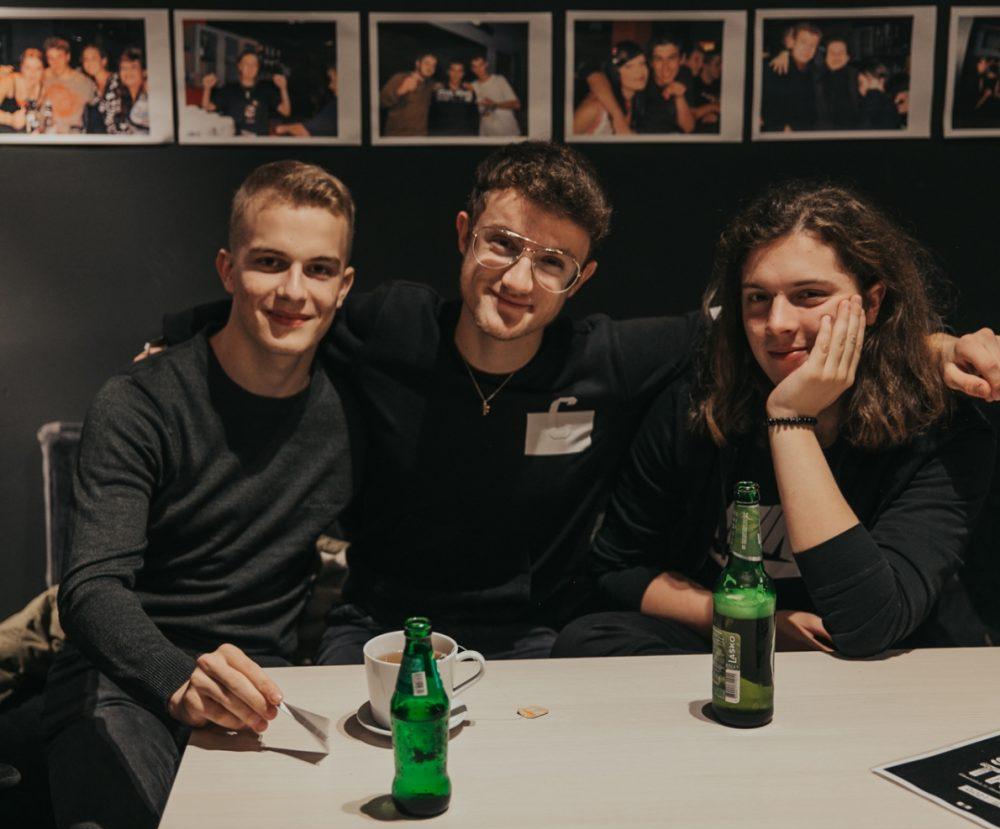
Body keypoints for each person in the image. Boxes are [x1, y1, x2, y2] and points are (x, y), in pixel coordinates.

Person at [160, 143, 1000, 666]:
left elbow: (759, 324)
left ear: (581, 277)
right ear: (464, 234)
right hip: (381, 622)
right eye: (501, 244)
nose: (518, 279)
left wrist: (930, 345)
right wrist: (181, 338)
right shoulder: (390, 324)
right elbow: (290, 305)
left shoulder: (612, 358)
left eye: (553, 262)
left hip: (532, 634)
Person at [43, 161, 357, 829]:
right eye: (269, 262)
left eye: (318, 269)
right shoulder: (140, 403)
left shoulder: (355, 411)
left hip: (263, 687)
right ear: (227, 269)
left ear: (344, 286)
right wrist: (178, 679)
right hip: (126, 679)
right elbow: (92, 588)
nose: (293, 291)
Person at [552, 182, 996, 661]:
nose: (778, 323)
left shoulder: (939, 428)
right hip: (739, 643)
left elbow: (869, 623)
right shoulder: (700, 401)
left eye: (809, 295)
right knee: (589, 639)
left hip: (890, 660)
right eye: (758, 298)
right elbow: (618, 568)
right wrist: (748, 619)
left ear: (871, 304)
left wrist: (791, 419)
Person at [586, 33, 695, 135]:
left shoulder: (684, 75)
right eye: (658, 59)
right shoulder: (641, 80)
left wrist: (679, 96)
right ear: (651, 62)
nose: (665, 67)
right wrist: (617, 116)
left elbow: (688, 128)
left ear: (681, 59)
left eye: (671, 58)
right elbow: (595, 75)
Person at [201, 47, 291, 136]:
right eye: (246, 63)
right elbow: (207, 109)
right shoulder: (228, 89)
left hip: (259, 140)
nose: (250, 67)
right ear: (239, 66)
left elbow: (286, 111)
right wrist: (207, 88)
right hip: (234, 140)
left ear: (258, 68)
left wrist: (283, 88)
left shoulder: (265, 89)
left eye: (254, 64)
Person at [572, 41, 648, 136]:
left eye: (642, 63)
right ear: (614, 72)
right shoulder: (595, 107)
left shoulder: (637, 102)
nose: (640, 71)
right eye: (629, 66)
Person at [761, 22, 822, 132]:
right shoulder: (775, 68)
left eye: (812, 45)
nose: (807, 49)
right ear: (792, 43)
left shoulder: (814, 72)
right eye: (803, 42)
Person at [40, 36, 97, 134]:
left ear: (68, 57)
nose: (55, 62)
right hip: (44, 134)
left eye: (59, 57)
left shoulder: (84, 82)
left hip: (72, 136)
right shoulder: (42, 76)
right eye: (51, 58)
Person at [380, 52, 437, 137]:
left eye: (433, 65)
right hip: (397, 135)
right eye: (427, 63)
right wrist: (401, 90)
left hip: (420, 135)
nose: (430, 68)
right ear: (417, 64)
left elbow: (446, 91)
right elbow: (381, 102)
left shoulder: (429, 84)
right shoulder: (400, 77)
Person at [275, 64, 338, 137]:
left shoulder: (335, 106)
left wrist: (285, 128)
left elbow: (306, 131)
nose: (330, 86)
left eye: (334, 81)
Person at [469, 54, 522, 137]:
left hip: (507, 131)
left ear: (486, 64)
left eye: (481, 65)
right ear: (472, 69)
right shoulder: (473, 85)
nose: (478, 69)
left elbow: (516, 104)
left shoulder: (499, 80)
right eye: (475, 67)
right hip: (486, 133)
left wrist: (494, 105)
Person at [816, 37, 859, 130]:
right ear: (825, 57)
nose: (836, 56)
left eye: (841, 52)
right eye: (832, 52)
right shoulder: (815, 77)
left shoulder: (858, 77)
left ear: (847, 57)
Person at [104, 47, 149, 135]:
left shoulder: (148, 97)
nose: (128, 72)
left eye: (133, 67)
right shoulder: (123, 98)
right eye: (123, 68)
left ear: (144, 72)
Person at [429, 58, 478, 136]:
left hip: (464, 134)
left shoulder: (469, 91)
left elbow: (473, 117)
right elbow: (432, 116)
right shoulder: (438, 90)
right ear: (448, 72)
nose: (456, 74)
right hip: (442, 135)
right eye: (453, 70)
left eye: (460, 71)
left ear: (463, 73)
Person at [0, 48, 45, 133]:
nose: (33, 73)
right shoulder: (9, 81)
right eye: (28, 67)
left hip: (25, 137)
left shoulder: (42, 89)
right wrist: (10, 119)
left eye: (38, 68)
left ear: (43, 70)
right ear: (21, 68)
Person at [80, 43, 117, 133]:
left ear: (103, 61)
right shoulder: (90, 87)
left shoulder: (119, 81)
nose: (89, 63)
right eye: (86, 59)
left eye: (93, 58)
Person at [688, 49, 722, 132]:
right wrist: (713, 108)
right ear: (705, 65)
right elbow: (690, 114)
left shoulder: (720, 84)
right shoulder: (693, 84)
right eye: (717, 64)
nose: (721, 68)